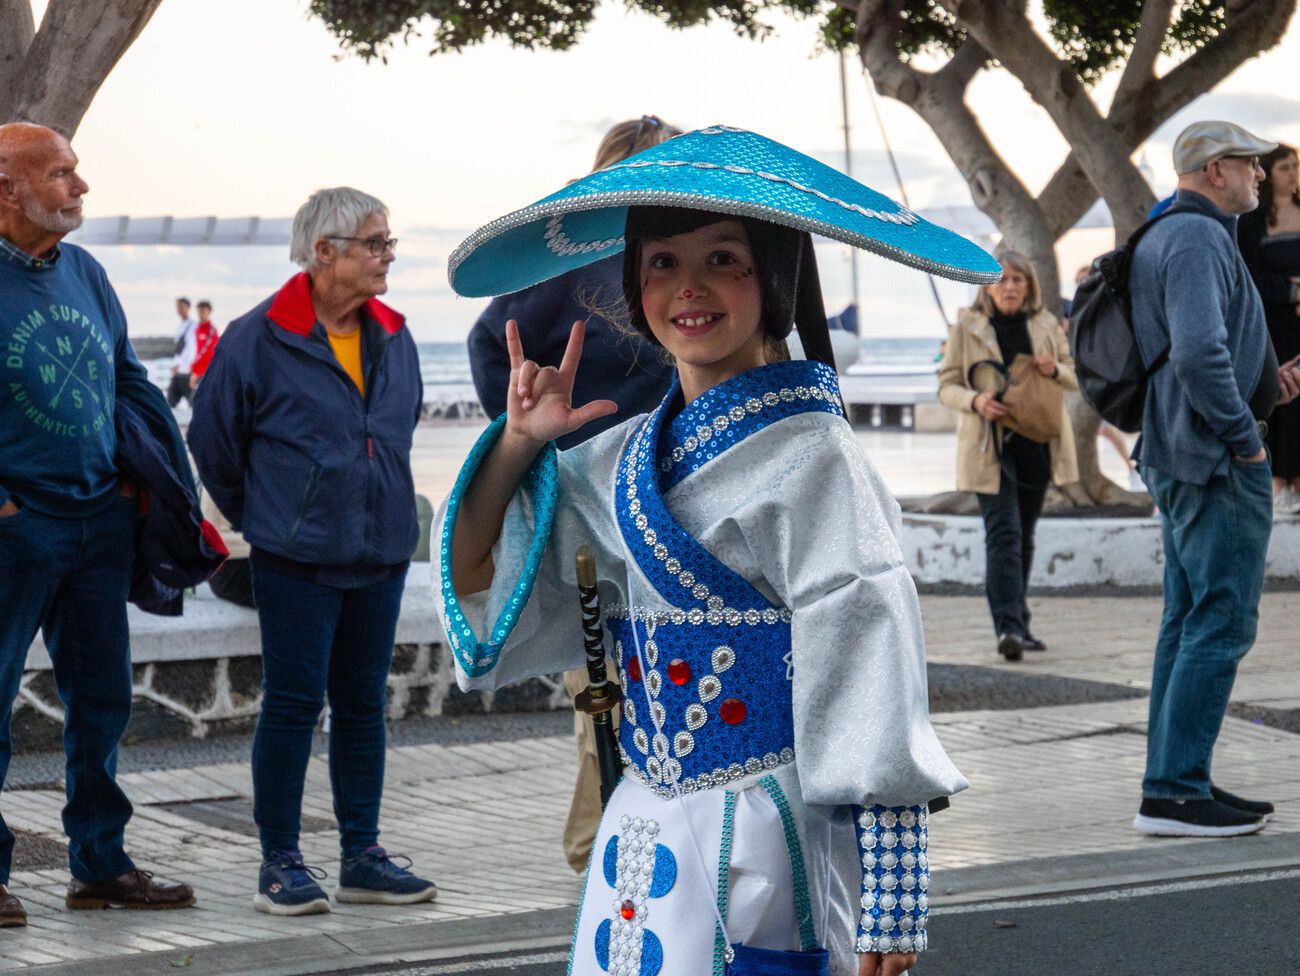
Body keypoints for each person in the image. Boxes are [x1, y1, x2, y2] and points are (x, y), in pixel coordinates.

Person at [437, 126, 999, 976]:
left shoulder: (819, 459)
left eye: (723, 260)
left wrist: (893, 888)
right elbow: (483, 572)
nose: (687, 289)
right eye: (660, 263)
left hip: (770, 830)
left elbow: (870, 656)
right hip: (643, 820)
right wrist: (518, 444)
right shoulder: (623, 458)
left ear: (772, 278)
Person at [189, 187, 436, 915]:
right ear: (323, 252)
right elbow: (213, 443)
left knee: (363, 705)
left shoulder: (395, 330)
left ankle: (362, 853)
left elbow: (399, 428)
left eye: (389, 242)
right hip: (295, 557)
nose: (387, 255)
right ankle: (281, 863)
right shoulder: (257, 336)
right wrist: (270, 516)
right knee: (294, 705)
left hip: (382, 552)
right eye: (374, 243)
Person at [469, 114, 681, 875]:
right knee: (608, 696)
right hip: (601, 510)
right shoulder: (581, 259)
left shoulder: (663, 261)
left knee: (627, 699)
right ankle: (597, 855)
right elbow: (495, 346)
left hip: (656, 504)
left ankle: (603, 853)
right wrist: (535, 447)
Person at [0, 122, 196, 926]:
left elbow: (125, 379)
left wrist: (168, 490)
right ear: (8, 188)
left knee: (103, 702)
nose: (80, 187)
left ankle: (100, 865)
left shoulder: (85, 271)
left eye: (76, 172)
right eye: (61, 174)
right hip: (15, 529)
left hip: (95, 522)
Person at [1130, 121, 1300, 838]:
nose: (1263, 178)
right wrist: (1246, 440)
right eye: (1252, 167)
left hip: (1178, 448)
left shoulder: (1167, 232)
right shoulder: (1199, 237)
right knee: (1222, 618)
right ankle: (1174, 791)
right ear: (1216, 170)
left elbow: (1193, 352)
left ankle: (1170, 784)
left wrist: (1269, 386)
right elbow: (1199, 356)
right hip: (1213, 457)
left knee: (1188, 618)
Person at [937, 252, 1079, 662]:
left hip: (1037, 442)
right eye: (1002, 280)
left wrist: (1054, 371)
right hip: (989, 447)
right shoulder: (968, 327)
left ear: (1029, 285)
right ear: (986, 285)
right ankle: (1008, 629)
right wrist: (975, 400)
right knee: (1004, 533)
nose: (1010, 287)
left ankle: (1019, 618)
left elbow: (1073, 375)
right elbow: (946, 386)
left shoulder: (1046, 324)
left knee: (1025, 535)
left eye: (1018, 279)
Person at [1238, 143, 1300, 513]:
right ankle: (1276, 485)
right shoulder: (1251, 222)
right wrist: (1292, 291)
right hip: (1273, 328)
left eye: (1296, 166)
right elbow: (1247, 276)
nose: (1293, 173)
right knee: (1279, 398)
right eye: (1284, 167)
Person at [167, 296, 197, 408]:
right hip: (178, 372)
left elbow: (191, 349)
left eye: (181, 306)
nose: (179, 309)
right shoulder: (180, 326)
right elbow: (178, 350)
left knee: (193, 404)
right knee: (169, 403)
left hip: (187, 372)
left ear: (188, 307)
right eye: (177, 306)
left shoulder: (192, 326)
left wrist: (180, 365)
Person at [189, 299, 218, 392]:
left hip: (205, 372)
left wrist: (195, 372)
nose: (201, 313)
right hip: (194, 371)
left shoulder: (211, 331)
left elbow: (206, 353)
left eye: (203, 311)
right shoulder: (196, 329)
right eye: (199, 311)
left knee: (197, 400)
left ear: (209, 312)